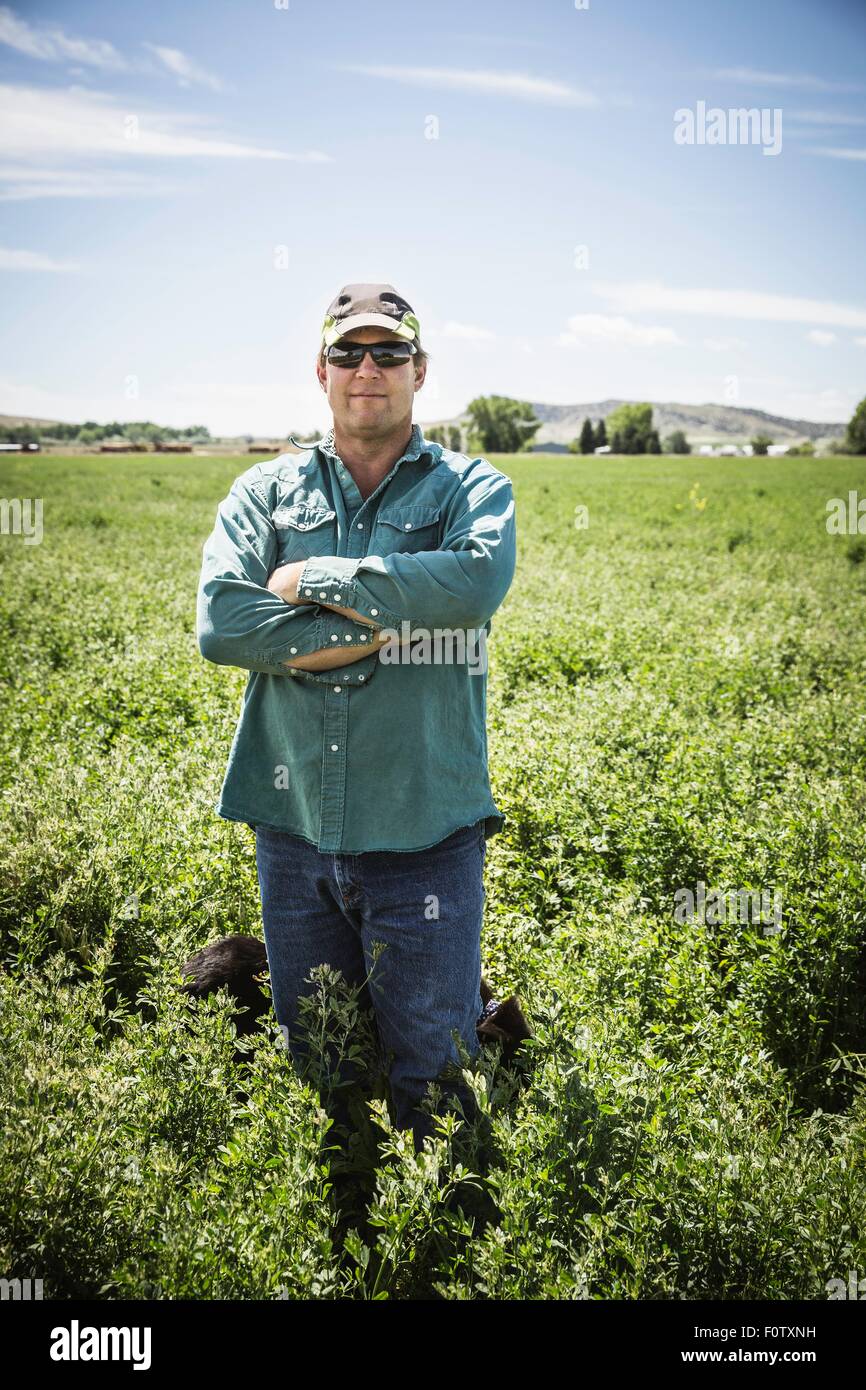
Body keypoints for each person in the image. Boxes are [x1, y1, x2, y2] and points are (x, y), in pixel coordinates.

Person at [196, 282, 516, 1151]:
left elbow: (476, 583)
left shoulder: (469, 488)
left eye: (386, 353)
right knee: (321, 1063)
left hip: (424, 836)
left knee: (432, 1073)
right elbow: (223, 625)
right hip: (294, 830)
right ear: (321, 369)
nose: (366, 368)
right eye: (348, 352)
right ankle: (341, 1243)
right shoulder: (265, 491)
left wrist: (309, 583)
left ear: (420, 369)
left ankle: (440, 1263)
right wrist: (389, 627)